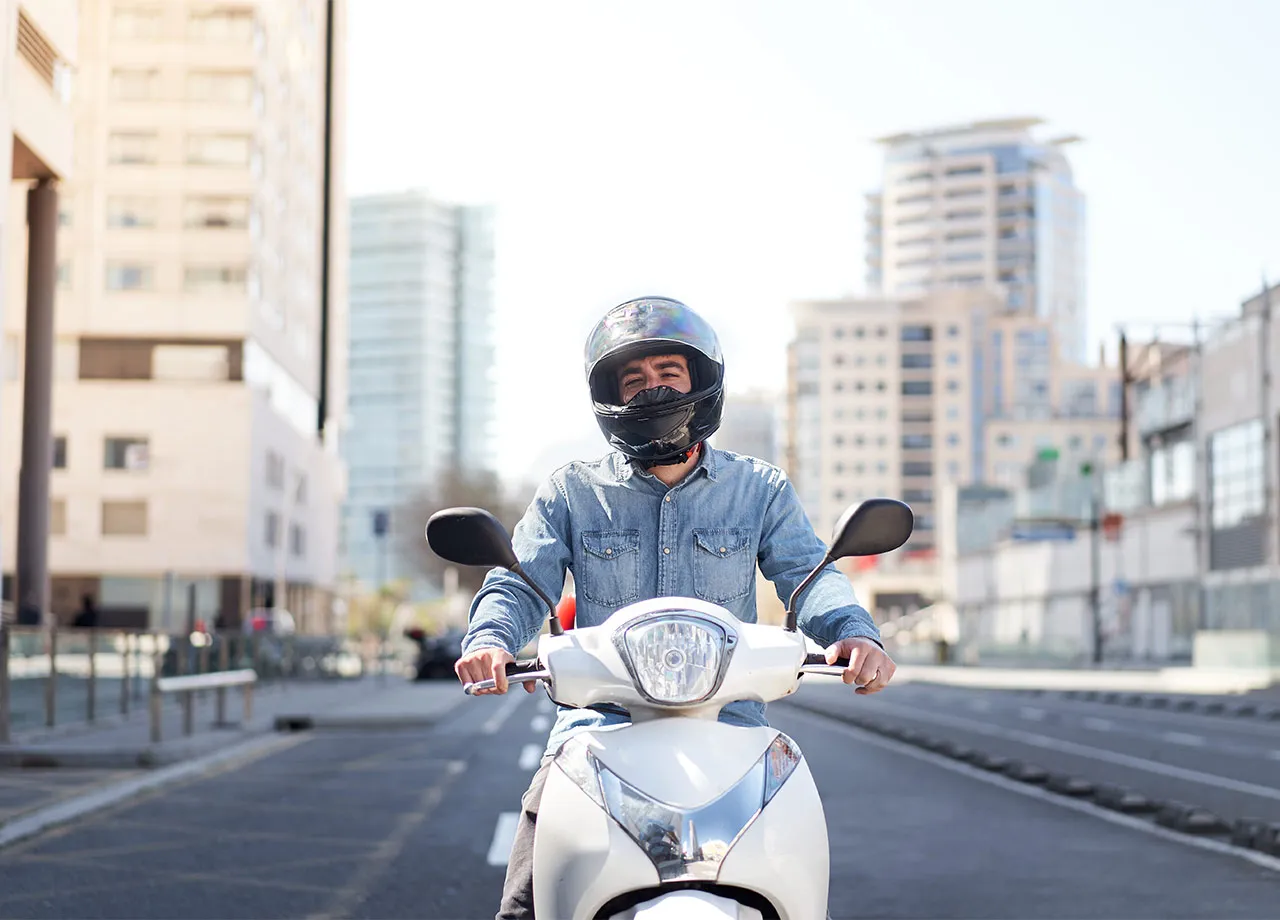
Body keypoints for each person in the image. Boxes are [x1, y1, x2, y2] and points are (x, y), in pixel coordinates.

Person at [455, 296, 897, 920]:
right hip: (599, 731)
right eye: (633, 379)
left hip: (731, 728)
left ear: (700, 381)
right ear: (610, 397)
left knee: (798, 882)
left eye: (668, 373)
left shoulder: (759, 488)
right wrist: (490, 641)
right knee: (526, 898)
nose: (652, 388)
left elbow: (809, 575)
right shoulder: (572, 491)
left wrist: (854, 633)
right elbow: (521, 583)